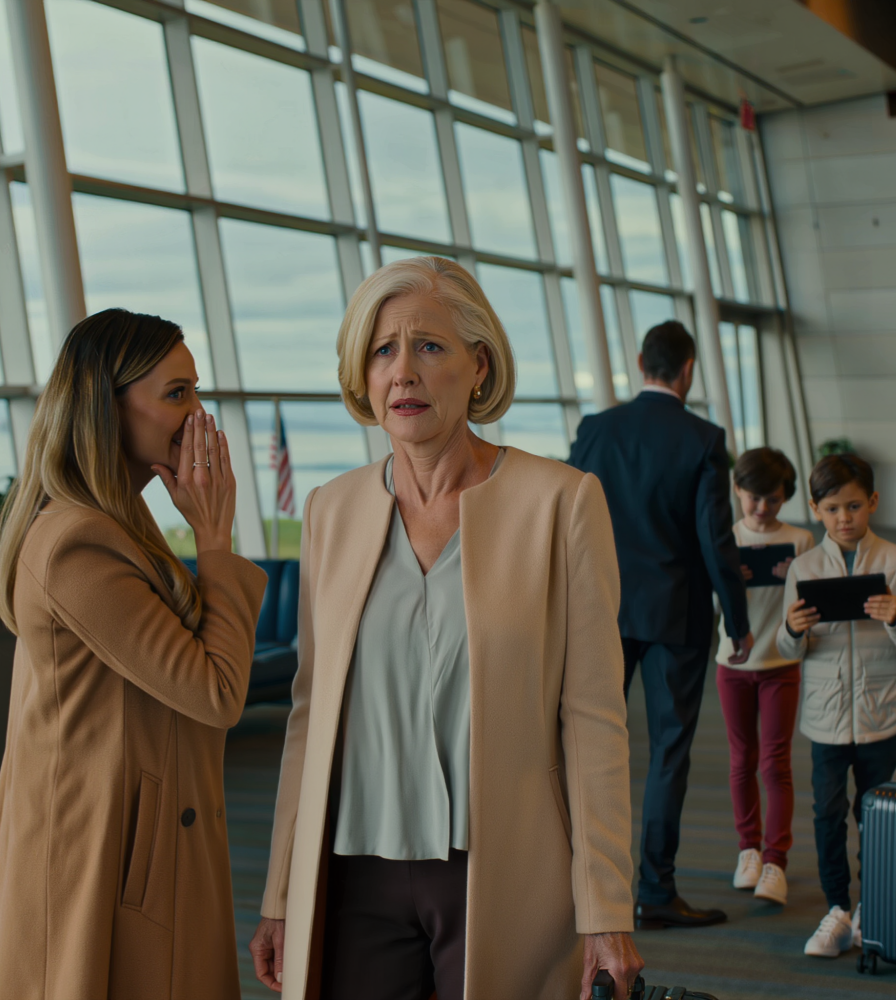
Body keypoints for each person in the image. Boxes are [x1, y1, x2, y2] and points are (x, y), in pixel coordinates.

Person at [249, 257, 643, 1000]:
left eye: (428, 346)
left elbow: (594, 719)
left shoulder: (560, 504)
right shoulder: (331, 510)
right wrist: (281, 892)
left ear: (479, 364)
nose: (403, 371)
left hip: (505, 876)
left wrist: (605, 909)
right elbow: (310, 717)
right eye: (382, 350)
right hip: (352, 877)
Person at [0, 309, 266, 1000]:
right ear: (108, 406)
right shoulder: (78, 543)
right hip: (101, 861)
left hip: (129, 845)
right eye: (177, 393)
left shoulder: (115, 526)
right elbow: (217, 691)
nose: (198, 416)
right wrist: (214, 540)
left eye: (196, 390)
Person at [568, 320, 753, 930]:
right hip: (678, 613)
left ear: (642, 362)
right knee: (668, 753)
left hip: (601, 609)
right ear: (688, 368)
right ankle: (655, 891)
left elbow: (566, 516)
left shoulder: (596, 430)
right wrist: (739, 622)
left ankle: (572, 885)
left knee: (586, 747)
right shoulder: (703, 439)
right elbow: (716, 540)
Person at [778, 453, 896, 958]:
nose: (844, 518)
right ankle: (836, 908)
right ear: (816, 509)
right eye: (832, 509)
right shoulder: (805, 568)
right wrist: (792, 630)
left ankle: (870, 907)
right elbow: (789, 650)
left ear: (872, 502)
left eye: (854, 506)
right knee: (827, 813)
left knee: (875, 815)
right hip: (827, 714)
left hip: (883, 710)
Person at [715, 448, 814, 906]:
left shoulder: (800, 540)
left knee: (776, 764)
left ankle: (775, 860)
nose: (761, 508)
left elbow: (806, 605)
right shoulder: (724, 539)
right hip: (732, 665)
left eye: (773, 499)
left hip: (780, 665)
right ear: (737, 490)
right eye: (754, 497)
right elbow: (712, 607)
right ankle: (748, 851)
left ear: (785, 498)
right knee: (741, 760)